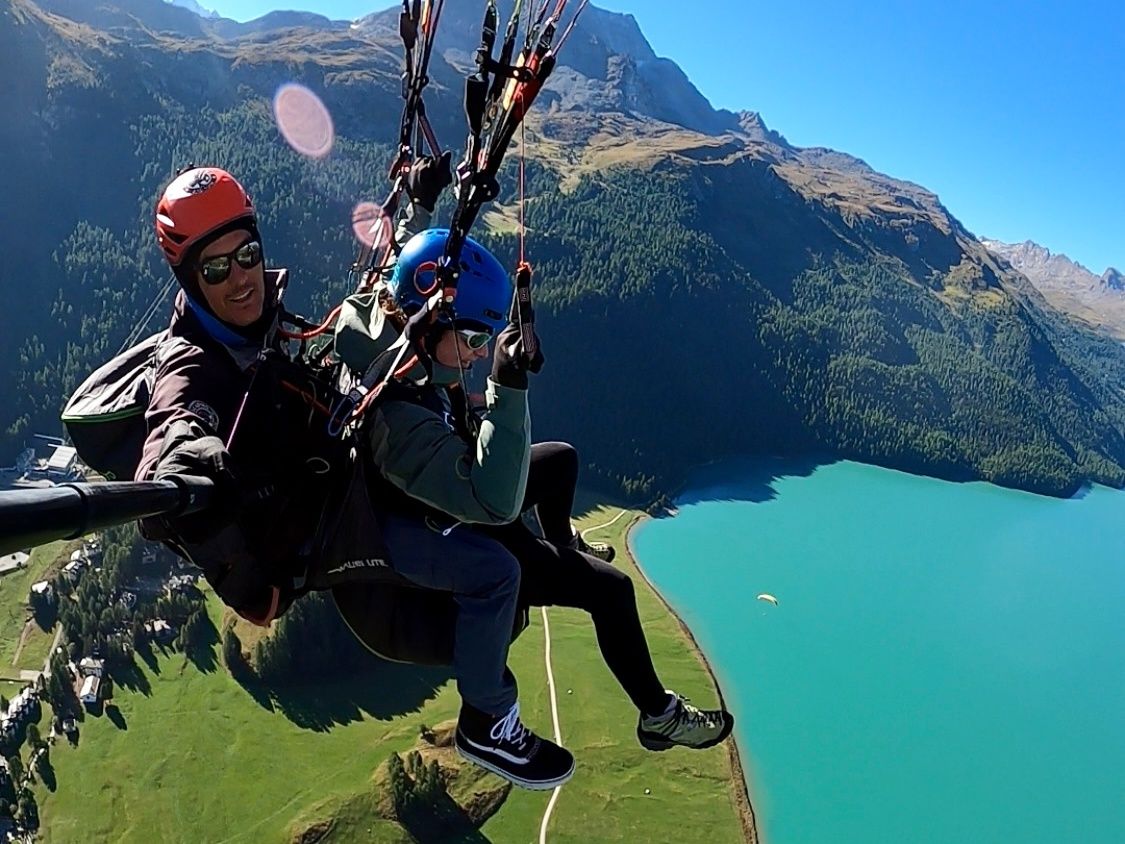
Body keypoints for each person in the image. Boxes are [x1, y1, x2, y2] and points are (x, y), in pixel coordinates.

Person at [339, 224, 734, 788]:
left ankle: (562, 546)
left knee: (562, 460)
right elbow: (494, 502)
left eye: (484, 342)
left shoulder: (384, 330)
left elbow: (395, 273)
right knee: (610, 590)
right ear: (430, 323)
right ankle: (657, 716)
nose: (479, 352)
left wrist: (419, 207)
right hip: (442, 529)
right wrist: (507, 385)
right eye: (474, 338)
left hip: (445, 501)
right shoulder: (398, 417)